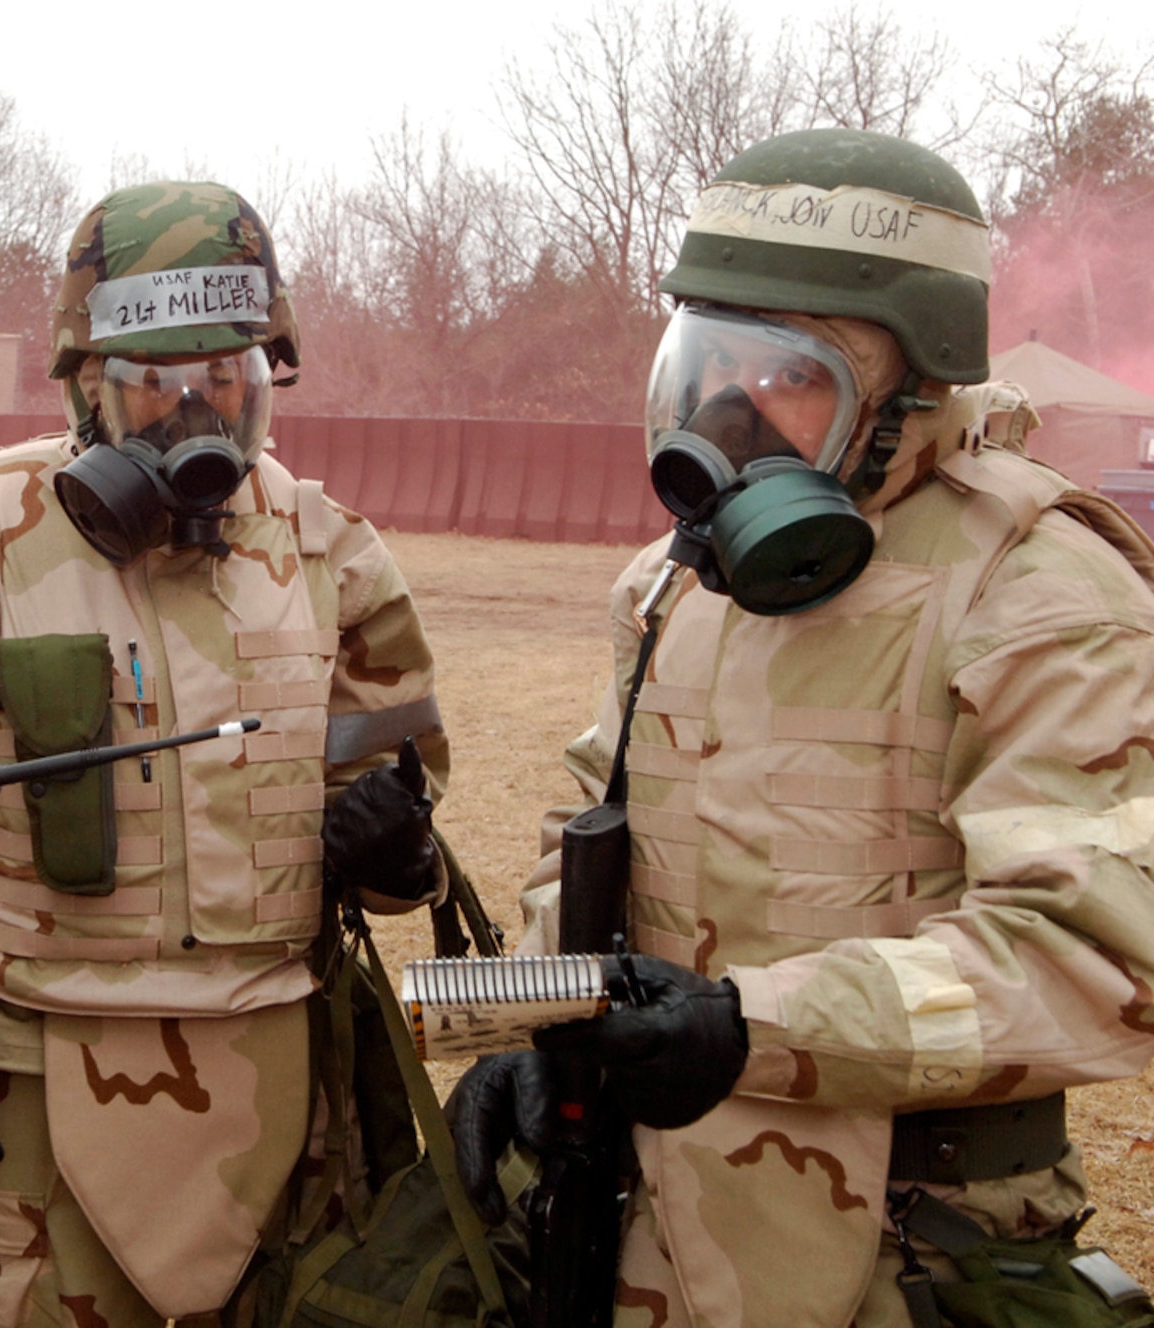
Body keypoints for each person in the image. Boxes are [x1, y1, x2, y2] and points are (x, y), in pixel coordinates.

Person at [451, 127, 1154, 1328]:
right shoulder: (670, 586)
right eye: (705, 366)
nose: (728, 416)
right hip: (649, 1216)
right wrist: (537, 1028)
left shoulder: (1040, 594)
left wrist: (749, 1028)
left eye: (787, 375)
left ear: (907, 393)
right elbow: (581, 842)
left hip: (904, 1237)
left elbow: (1096, 955)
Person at [0, 181, 450, 1327]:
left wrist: (398, 850)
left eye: (226, 379)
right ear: (86, 388)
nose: (196, 415)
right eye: (154, 384)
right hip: (25, 1078)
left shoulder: (327, 546)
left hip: (272, 1088)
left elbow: (394, 801)